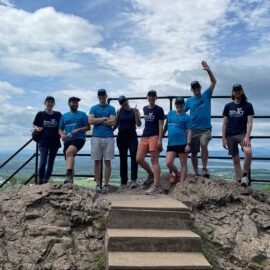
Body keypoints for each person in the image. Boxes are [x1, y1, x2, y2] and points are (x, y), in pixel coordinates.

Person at [184, 60, 217, 178]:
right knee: (193, 152)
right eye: (194, 87)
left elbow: (214, 81)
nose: (196, 88)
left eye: (197, 86)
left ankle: (204, 168)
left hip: (205, 129)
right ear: (192, 89)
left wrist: (208, 70)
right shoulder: (189, 100)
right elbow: (182, 113)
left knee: (204, 144)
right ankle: (196, 173)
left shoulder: (206, 95)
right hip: (193, 130)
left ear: (200, 87)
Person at [222, 84, 254, 186]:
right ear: (232, 92)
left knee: (248, 151)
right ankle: (239, 181)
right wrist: (223, 138)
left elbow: (249, 122)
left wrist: (247, 136)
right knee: (235, 160)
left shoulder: (248, 105)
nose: (237, 92)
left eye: (238, 90)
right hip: (230, 135)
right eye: (235, 90)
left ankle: (245, 175)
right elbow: (224, 123)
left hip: (242, 134)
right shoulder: (228, 106)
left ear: (242, 91)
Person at [136, 90, 165, 195]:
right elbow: (140, 123)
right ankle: (151, 174)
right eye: (150, 96)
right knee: (138, 158)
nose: (151, 98)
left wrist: (160, 140)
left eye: (153, 96)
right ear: (147, 97)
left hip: (154, 136)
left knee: (154, 161)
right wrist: (136, 115)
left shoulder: (159, 110)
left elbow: (161, 126)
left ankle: (156, 186)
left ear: (156, 97)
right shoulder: (144, 109)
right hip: (145, 135)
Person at [89, 89, 116, 194]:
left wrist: (98, 120)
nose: (102, 97)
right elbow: (90, 121)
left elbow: (113, 122)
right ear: (98, 97)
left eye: (103, 95)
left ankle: (105, 185)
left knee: (107, 161)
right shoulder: (93, 108)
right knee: (97, 162)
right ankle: (98, 185)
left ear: (106, 96)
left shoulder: (112, 108)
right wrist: (105, 118)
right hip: (96, 137)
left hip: (108, 137)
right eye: (100, 95)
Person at [58, 97, 89, 184]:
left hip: (79, 138)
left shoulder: (82, 114)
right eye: (73, 102)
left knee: (69, 152)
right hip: (67, 140)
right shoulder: (64, 116)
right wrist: (62, 135)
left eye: (76, 103)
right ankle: (70, 182)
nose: (75, 104)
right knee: (70, 160)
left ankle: (68, 175)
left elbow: (88, 127)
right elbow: (60, 129)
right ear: (69, 104)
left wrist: (79, 130)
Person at [33, 96, 62, 184]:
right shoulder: (40, 114)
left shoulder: (58, 115)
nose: (50, 103)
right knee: (43, 162)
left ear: (54, 104)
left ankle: (46, 180)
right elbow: (34, 124)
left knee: (51, 162)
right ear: (45, 103)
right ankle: (40, 179)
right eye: (48, 102)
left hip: (55, 142)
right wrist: (37, 128)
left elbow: (62, 126)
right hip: (43, 141)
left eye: (51, 102)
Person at [114, 95, 141, 188]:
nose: (124, 103)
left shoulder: (135, 110)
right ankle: (123, 181)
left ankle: (134, 179)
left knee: (134, 156)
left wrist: (135, 114)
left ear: (127, 100)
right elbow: (116, 124)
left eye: (124, 101)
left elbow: (139, 124)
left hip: (132, 136)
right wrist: (109, 132)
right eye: (121, 102)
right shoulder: (119, 111)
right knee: (123, 158)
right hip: (121, 136)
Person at [163, 97, 191, 183]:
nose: (179, 105)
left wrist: (188, 144)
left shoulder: (187, 117)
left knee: (183, 164)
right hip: (171, 143)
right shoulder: (170, 114)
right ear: (175, 105)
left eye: (181, 103)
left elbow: (189, 131)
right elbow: (166, 125)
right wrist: (162, 134)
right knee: (168, 162)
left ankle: (181, 184)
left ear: (183, 105)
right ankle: (176, 174)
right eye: (177, 103)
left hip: (182, 143)